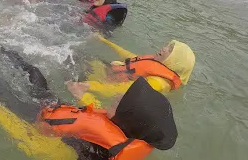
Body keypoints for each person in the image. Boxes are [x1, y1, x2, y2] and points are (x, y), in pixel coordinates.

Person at [0, 49, 177, 160]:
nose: (119, 96)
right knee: (34, 72)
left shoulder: (88, 152)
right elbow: (95, 112)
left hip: (33, 119)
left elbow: (35, 147)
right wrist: (80, 92)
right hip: (54, 107)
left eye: (124, 101)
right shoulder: (114, 124)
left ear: (126, 118)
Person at [66, 36, 196, 108]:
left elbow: (123, 90)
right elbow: (129, 57)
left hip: (108, 90)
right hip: (108, 75)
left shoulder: (159, 83)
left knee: (68, 67)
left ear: (176, 61)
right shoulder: (155, 63)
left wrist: (89, 86)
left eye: (170, 49)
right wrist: (105, 41)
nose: (164, 47)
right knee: (74, 54)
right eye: (168, 45)